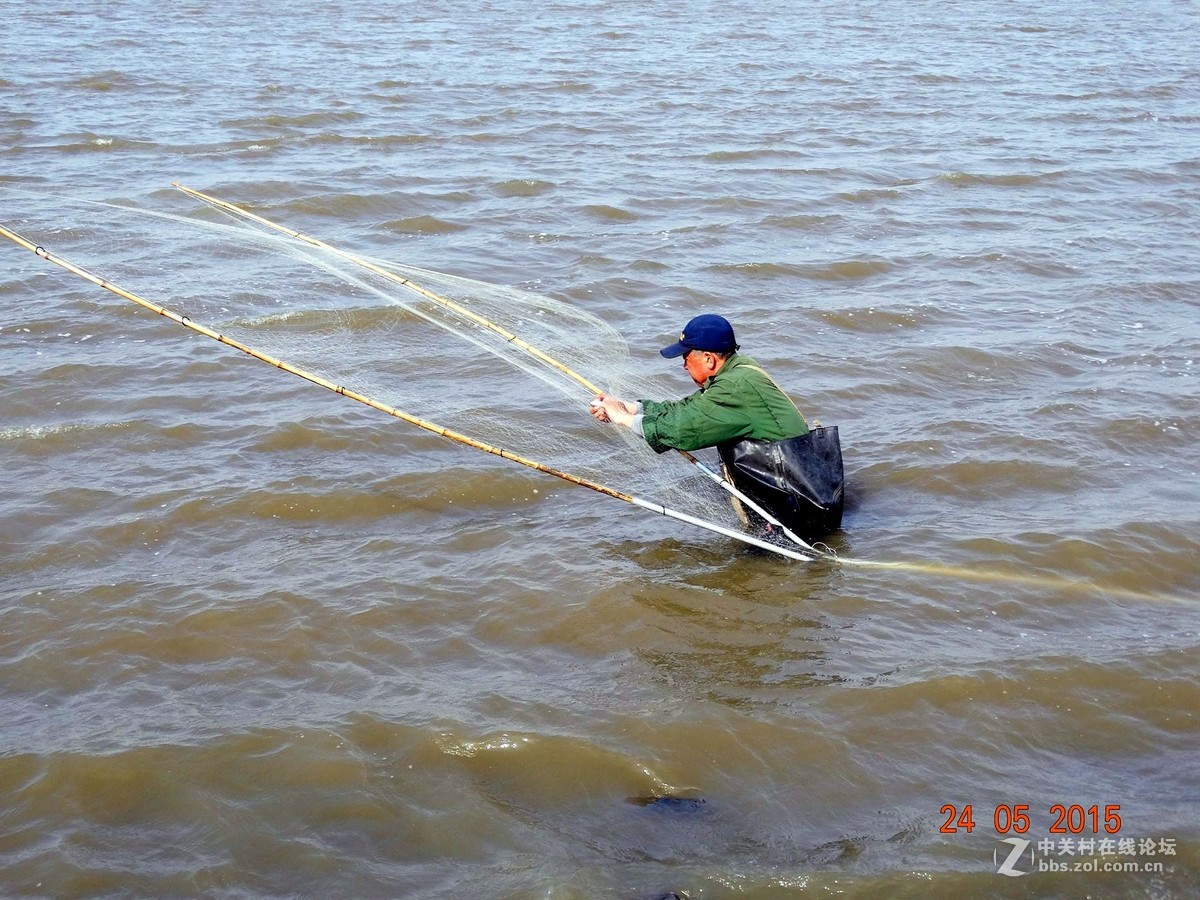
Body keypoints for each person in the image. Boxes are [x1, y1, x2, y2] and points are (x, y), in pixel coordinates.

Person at [590, 314, 844, 542]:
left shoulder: (734, 387)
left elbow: (682, 429)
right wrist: (629, 407)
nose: (683, 366)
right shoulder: (741, 371)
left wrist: (622, 419)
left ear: (709, 359)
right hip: (799, 498)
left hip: (795, 517)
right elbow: (689, 409)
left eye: (686, 358)